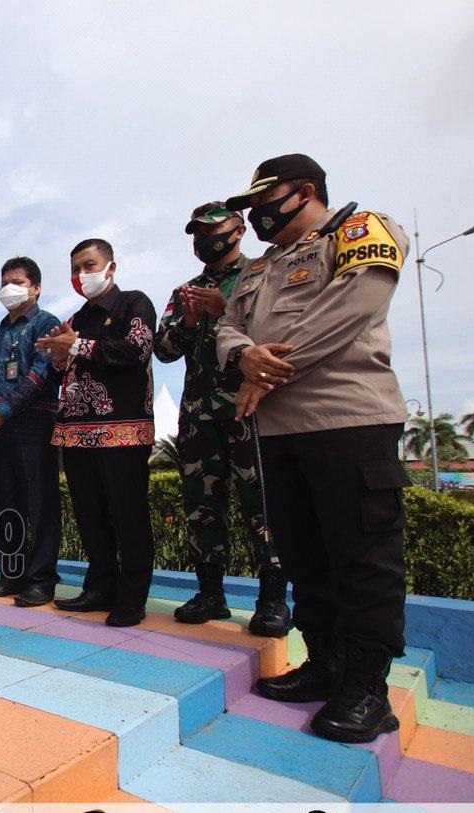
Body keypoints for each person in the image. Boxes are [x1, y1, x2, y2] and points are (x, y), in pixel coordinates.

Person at [216, 154, 411, 743]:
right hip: (276, 431)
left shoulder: (360, 229)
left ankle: (367, 688)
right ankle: (325, 662)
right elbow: (228, 324)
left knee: (362, 555)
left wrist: (268, 368)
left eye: (264, 202)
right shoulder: (257, 271)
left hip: (347, 420)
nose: (256, 217)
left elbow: (354, 305)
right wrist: (240, 355)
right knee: (303, 555)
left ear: (305, 191)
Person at [154, 204, 291, 637]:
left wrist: (224, 309)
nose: (202, 241)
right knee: (202, 505)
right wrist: (191, 321)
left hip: (250, 407)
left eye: (210, 231)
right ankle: (210, 593)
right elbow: (164, 349)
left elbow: (278, 329)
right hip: (198, 412)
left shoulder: (263, 274)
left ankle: (271, 599)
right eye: (196, 233)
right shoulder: (186, 290)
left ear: (237, 230)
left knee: (261, 503)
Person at [36, 239, 156, 627]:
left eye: (88, 265)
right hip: (75, 432)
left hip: (121, 430)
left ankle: (132, 597)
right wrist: (58, 356)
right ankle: (99, 586)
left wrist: (78, 345)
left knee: (128, 515)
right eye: (75, 269)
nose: (81, 275)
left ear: (111, 267)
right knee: (91, 515)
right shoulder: (77, 317)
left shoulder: (134, 303)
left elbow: (136, 350)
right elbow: (65, 372)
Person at [0, 257, 62, 607]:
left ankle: (41, 580)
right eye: (4, 281)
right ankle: (11, 574)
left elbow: (42, 376)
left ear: (35, 287)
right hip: (0, 429)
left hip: (34, 426)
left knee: (40, 505)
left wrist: (3, 411)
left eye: (18, 281)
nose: (9, 288)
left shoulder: (46, 323)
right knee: (5, 505)